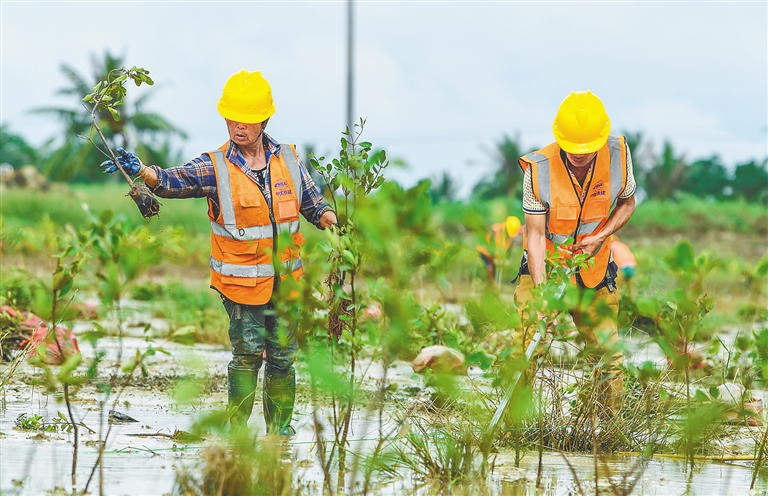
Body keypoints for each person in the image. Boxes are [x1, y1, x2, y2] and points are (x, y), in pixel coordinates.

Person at [101, 69, 337, 435]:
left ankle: (281, 434)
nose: (237, 126)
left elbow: (312, 201)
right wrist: (144, 172)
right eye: (231, 118)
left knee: (283, 358)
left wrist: (328, 218)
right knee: (246, 357)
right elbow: (172, 181)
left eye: (246, 119)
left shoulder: (289, 159)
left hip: (287, 283)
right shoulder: (216, 166)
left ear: (263, 120)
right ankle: (238, 435)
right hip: (241, 285)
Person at [514, 91, 636, 414]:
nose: (579, 156)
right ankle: (515, 424)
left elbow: (628, 203)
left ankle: (608, 432)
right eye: (572, 150)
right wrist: (542, 294)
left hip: (595, 267)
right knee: (528, 343)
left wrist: (602, 236)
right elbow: (535, 236)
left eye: (587, 150)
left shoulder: (619, 156)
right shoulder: (537, 170)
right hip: (547, 265)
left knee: (608, 355)